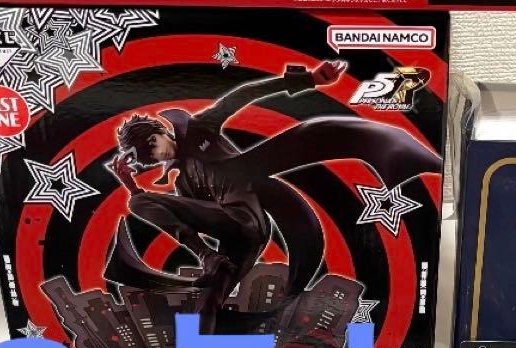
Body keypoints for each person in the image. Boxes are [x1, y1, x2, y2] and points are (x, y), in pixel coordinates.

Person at [107, 61, 441, 317]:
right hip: (239, 237)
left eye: (153, 145)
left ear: (161, 132)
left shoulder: (199, 129)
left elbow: (243, 95)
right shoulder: (183, 181)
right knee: (208, 299)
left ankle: (210, 260)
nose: (157, 155)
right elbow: (187, 218)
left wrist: (309, 79)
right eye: (149, 156)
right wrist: (131, 186)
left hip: (247, 216)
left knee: (142, 203)